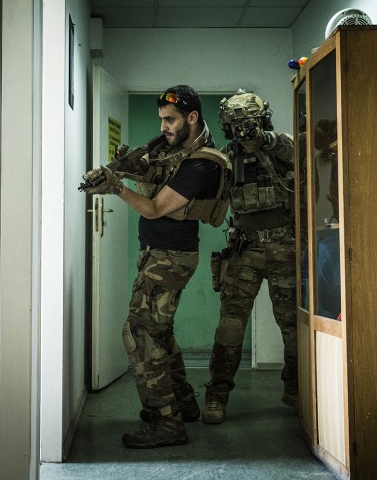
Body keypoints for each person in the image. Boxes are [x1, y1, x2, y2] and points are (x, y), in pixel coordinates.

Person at [81, 84, 229, 448]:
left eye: (170, 120)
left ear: (192, 118)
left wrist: (116, 187)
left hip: (170, 259)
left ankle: (167, 422)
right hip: (158, 255)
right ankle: (183, 405)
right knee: (159, 333)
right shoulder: (174, 150)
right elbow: (152, 171)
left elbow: (154, 208)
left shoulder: (200, 164)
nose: (163, 127)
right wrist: (128, 166)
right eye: (161, 119)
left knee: (139, 335)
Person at [204, 90, 298, 424]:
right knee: (230, 326)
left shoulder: (280, 146)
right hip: (245, 248)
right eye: (235, 125)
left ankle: (296, 389)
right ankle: (216, 395)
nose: (241, 130)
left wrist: (262, 140)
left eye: (246, 123)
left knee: (293, 325)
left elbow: (294, 151)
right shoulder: (227, 157)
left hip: (285, 246)